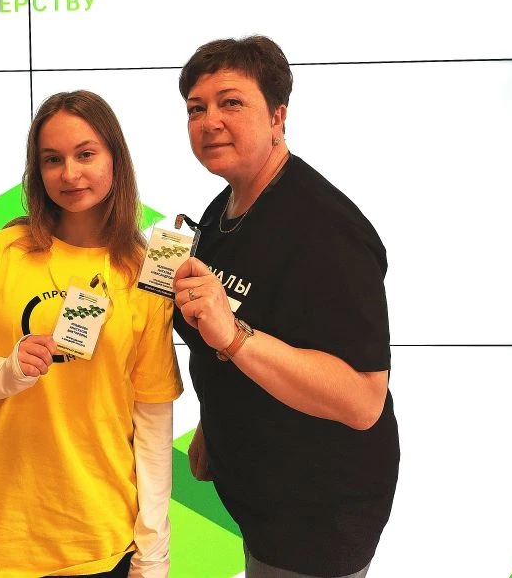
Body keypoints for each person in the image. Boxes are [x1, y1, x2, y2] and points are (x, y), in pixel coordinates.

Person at [171, 36, 399, 578]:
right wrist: (212, 426)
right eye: (196, 108)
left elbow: (363, 400)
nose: (209, 121)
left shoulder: (327, 229)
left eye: (231, 102)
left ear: (277, 116)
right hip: (261, 497)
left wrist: (235, 337)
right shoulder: (225, 205)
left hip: (318, 514)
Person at [0, 90, 183, 578]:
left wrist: (153, 550)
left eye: (85, 154)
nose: (70, 174)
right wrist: (11, 370)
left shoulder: (146, 271)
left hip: (98, 532)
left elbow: (153, 422)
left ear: (115, 158)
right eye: (52, 159)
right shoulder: (1, 252)